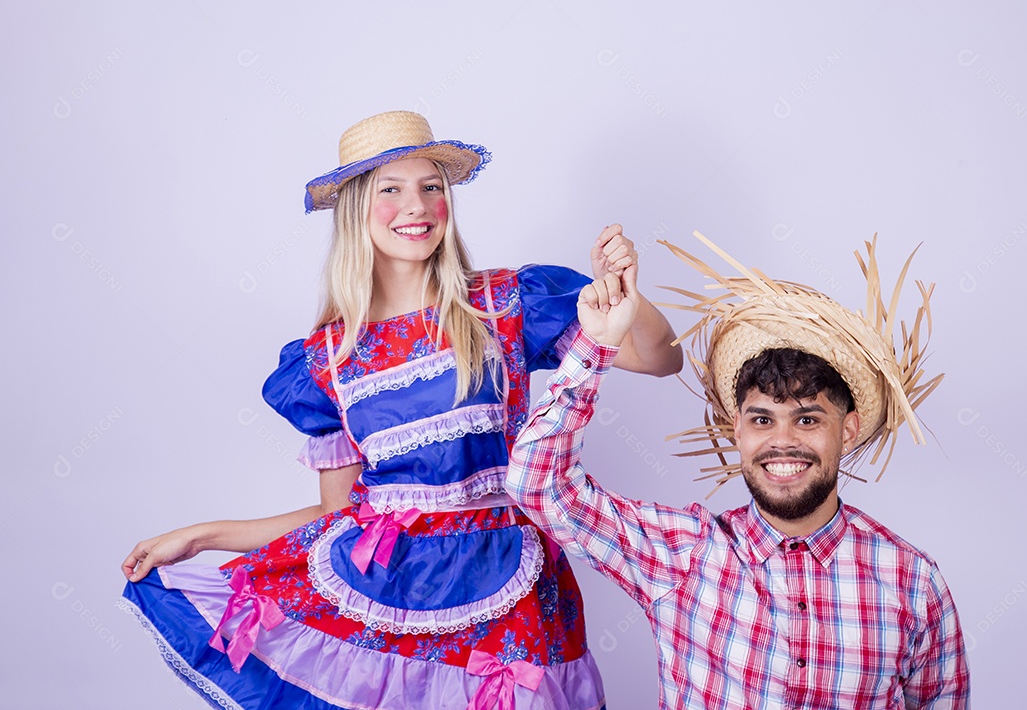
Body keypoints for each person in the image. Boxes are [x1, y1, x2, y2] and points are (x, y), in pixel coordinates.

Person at [119, 110, 681, 710]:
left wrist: (625, 292)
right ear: (357, 208)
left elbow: (660, 358)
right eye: (391, 189)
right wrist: (206, 536)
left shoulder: (504, 304)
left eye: (430, 187)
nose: (416, 206)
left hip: (513, 596)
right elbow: (342, 515)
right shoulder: (326, 360)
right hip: (389, 596)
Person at [505, 234, 970, 709]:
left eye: (807, 419)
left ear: (847, 430)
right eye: (762, 419)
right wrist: (598, 345)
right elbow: (537, 482)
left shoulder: (911, 580)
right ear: (737, 432)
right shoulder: (682, 555)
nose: (782, 441)